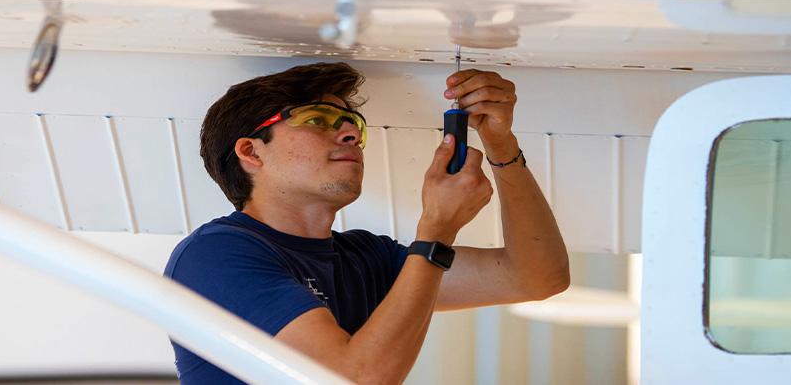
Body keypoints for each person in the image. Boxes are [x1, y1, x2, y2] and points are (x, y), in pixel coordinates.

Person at [163, 62, 569, 384]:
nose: (349, 135)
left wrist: (501, 144)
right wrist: (435, 233)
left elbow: (536, 277)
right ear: (251, 151)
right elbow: (352, 380)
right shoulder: (215, 255)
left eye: (352, 125)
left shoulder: (364, 258)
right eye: (318, 119)